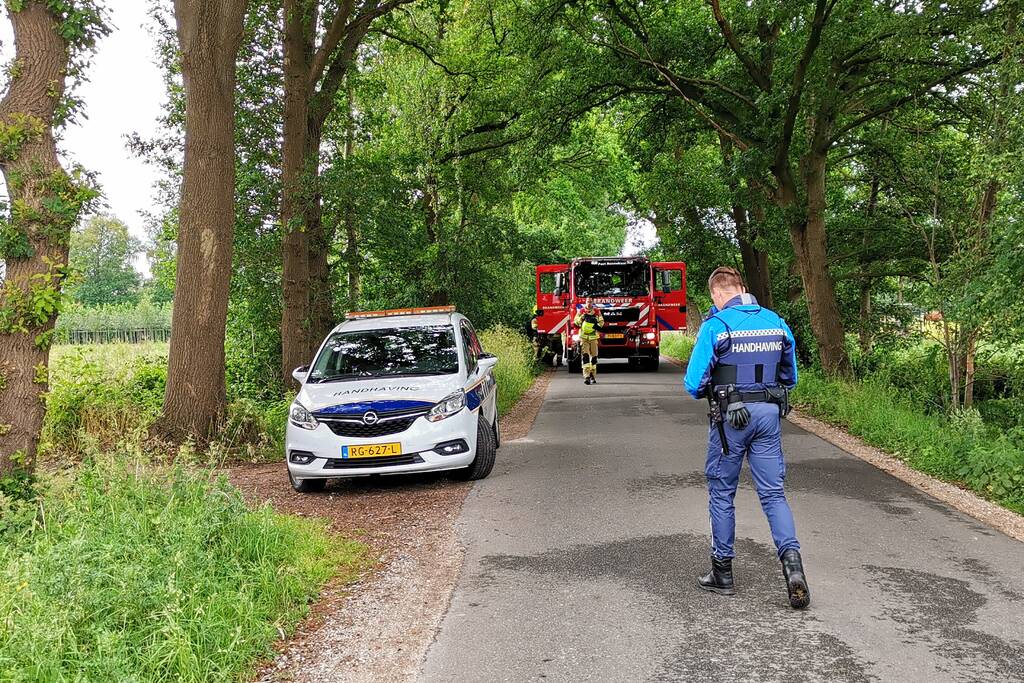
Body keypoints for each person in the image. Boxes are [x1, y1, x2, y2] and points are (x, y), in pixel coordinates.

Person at [682, 266, 810, 609]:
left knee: (722, 492)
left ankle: (722, 573)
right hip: (768, 416)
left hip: (730, 420)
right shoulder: (776, 321)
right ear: (742, 287)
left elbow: (693, 384)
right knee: (773, 493)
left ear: (717, 294)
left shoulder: (716, 326)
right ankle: (793, 568)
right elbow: (790, 375)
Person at [574, 298, 604, 385]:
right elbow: (576, 321)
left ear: (593, 302)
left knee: (594, 358)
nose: (589, 303)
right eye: (587, 302)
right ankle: (586, 376)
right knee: (585, 357)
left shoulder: (597, 312)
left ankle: (592, 375)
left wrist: (595, 325)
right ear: (585, 302)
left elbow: (601, 322)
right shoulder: (581, 311)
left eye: (591, 302)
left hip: (593, 338)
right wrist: (581, 318)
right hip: (584, 338)